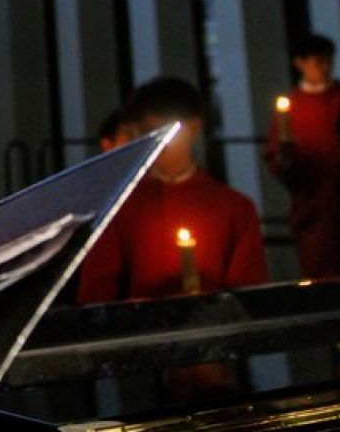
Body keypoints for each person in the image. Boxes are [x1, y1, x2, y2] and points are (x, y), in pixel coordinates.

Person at [77, 77, 267, 400]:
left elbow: (252, 295)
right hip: (141, 369)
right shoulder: (119, 209)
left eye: (167, 132)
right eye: (147, 134)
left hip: (219, 370)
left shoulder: (234, 207)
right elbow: (95, 297)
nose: (158, 144)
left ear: (193, 128)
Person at [264, 34, 340, 281]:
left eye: (327, 61)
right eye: (317, 62)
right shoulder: (294, 105)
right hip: (314, 205)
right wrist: (286, 158)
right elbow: (278, 158)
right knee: (318, 268)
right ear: (300, 63)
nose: (324, 67)